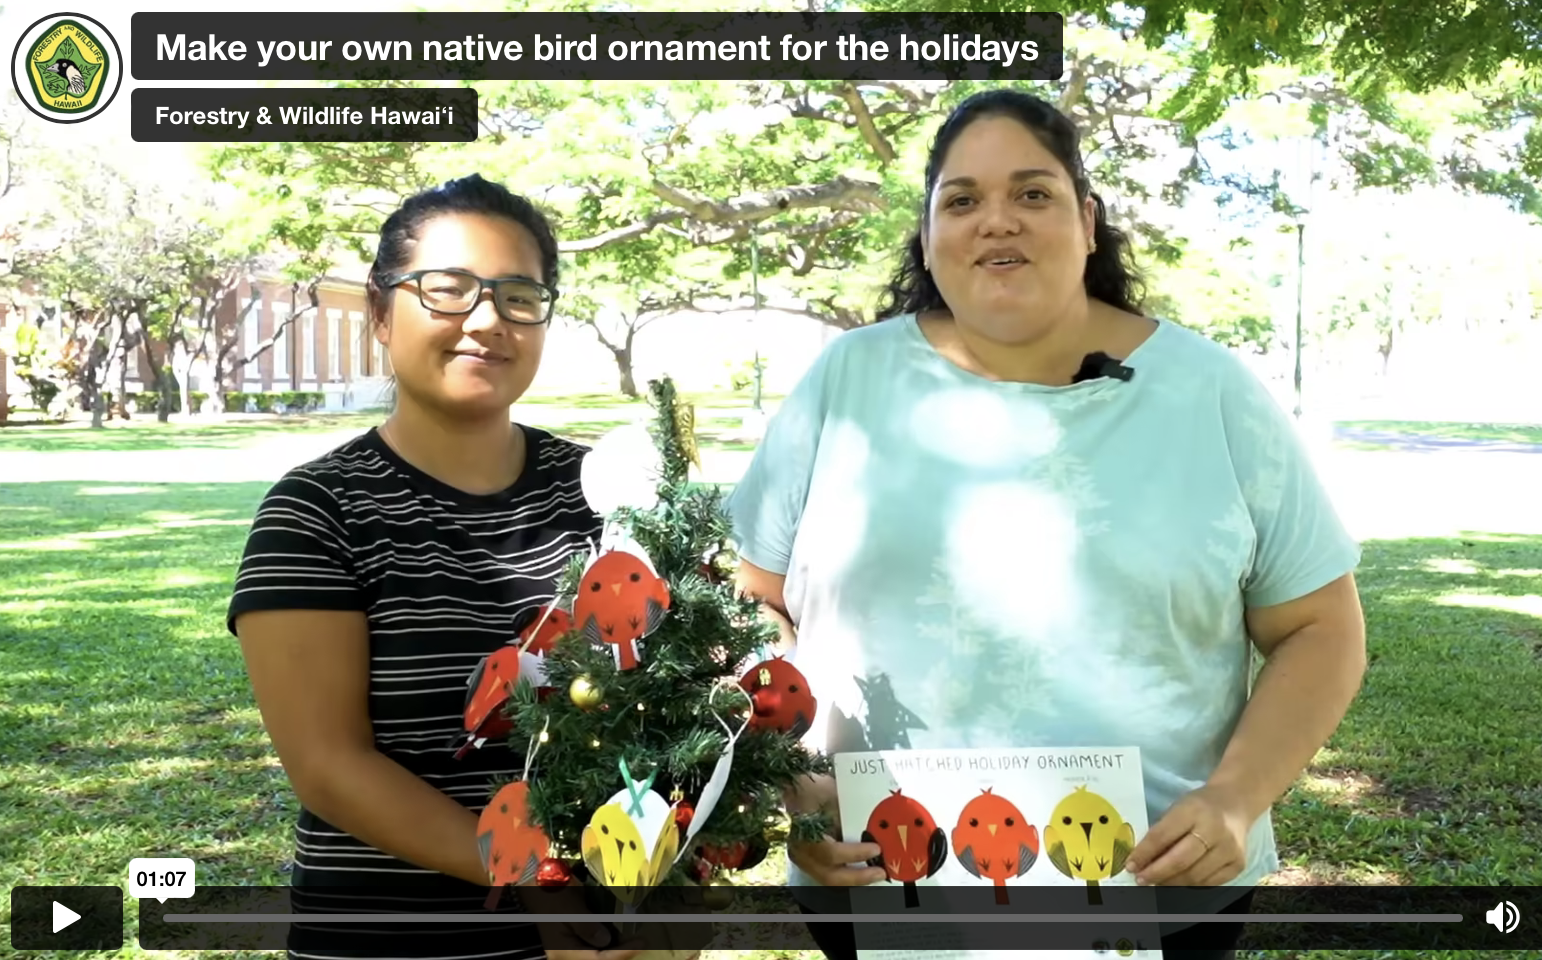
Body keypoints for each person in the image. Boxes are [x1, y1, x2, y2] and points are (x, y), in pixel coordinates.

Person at [726, 89, 1368, 960]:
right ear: (928, 236)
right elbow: (752, 600)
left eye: (1032, 193)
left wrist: (1235, 799)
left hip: (1157, 891)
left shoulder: (1212, 394)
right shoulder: (845, 383)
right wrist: (795, 781)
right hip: (879, 883)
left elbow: (1321, 629)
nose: (998, 221)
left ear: (1088, 221)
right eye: (962, 200)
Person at [229, 174, 641, 960]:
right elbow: (329, 766)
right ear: (381, 313)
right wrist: (538, 877)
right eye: (448, 290)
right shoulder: (316, 512)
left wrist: (671, 900)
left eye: (519, 296)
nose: (487, 320)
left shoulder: (607, 495)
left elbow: (681, 711)